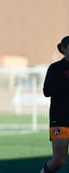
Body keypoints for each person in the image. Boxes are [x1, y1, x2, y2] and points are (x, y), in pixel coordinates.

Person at [41, 36, 69, 173]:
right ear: (63, 49)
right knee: (59, 160)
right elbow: (47, 91)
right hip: (60, 119)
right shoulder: (55, 68)